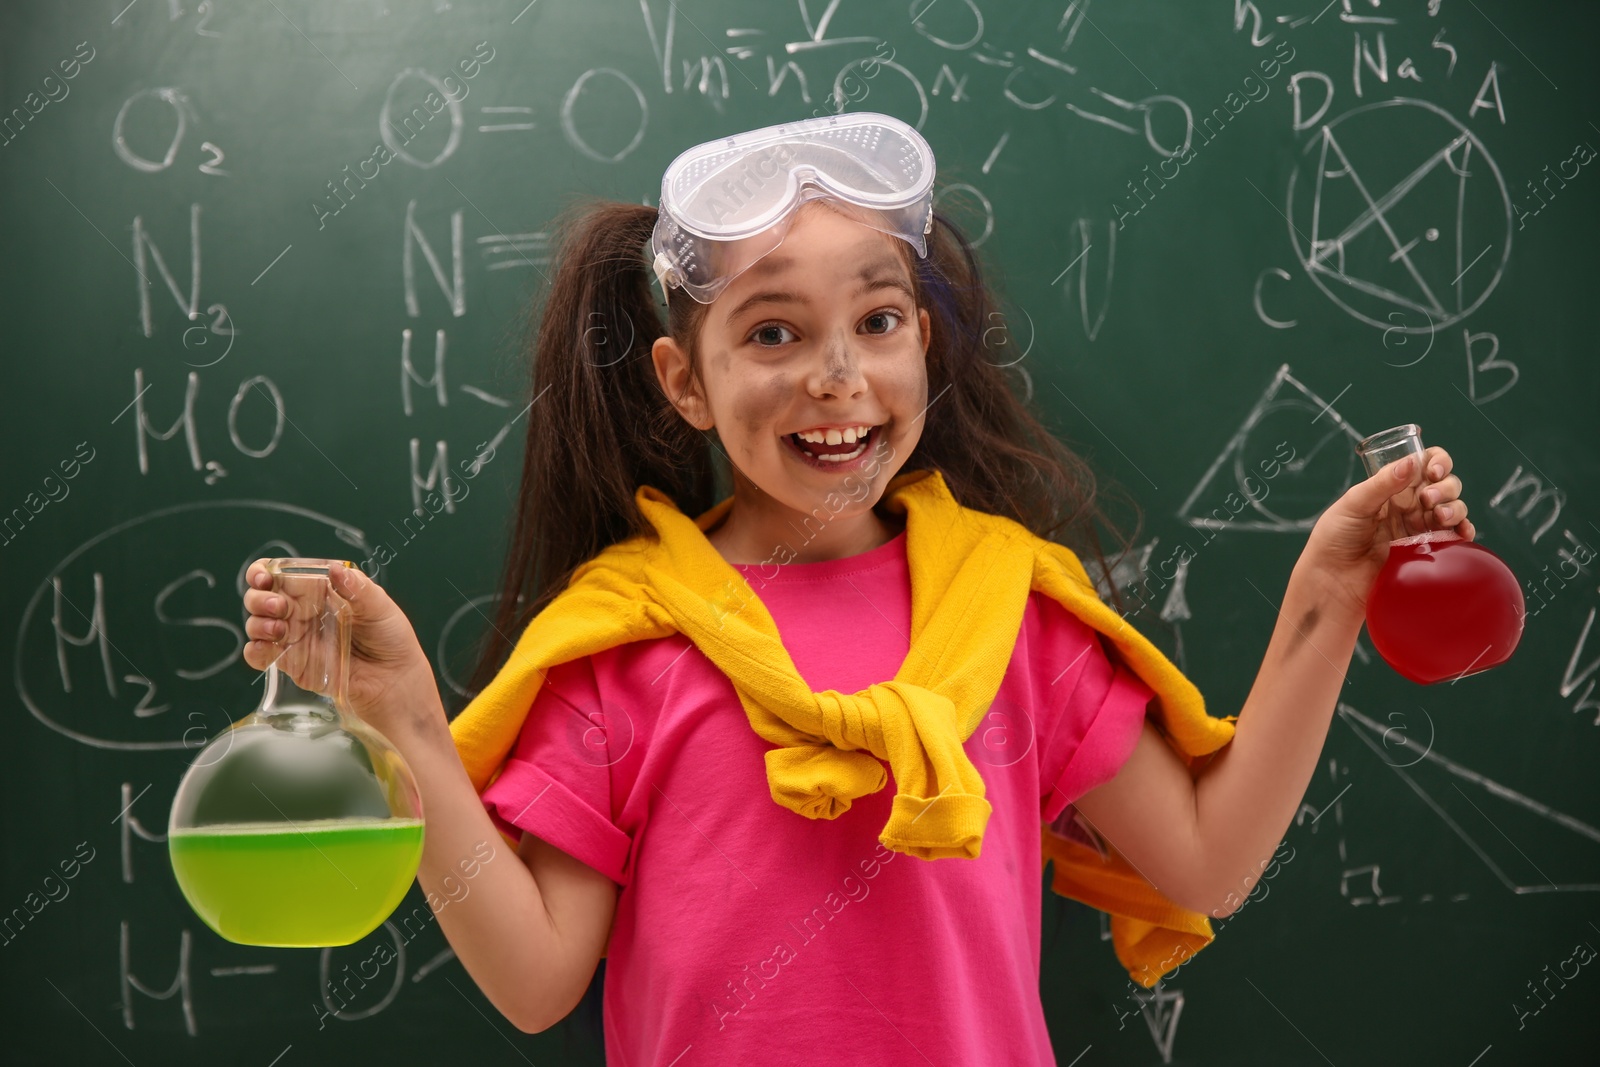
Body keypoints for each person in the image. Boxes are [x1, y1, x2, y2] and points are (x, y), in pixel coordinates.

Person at [240, 113, 1474, 1064]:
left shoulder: (1010, 611)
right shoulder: (621, 643)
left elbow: (1205, 863)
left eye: (878, 320)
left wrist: (1328, 589)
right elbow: (533, 979)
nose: (837, 376)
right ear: (684, 380)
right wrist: (401, 718)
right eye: (772, 333)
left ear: (922, 343)